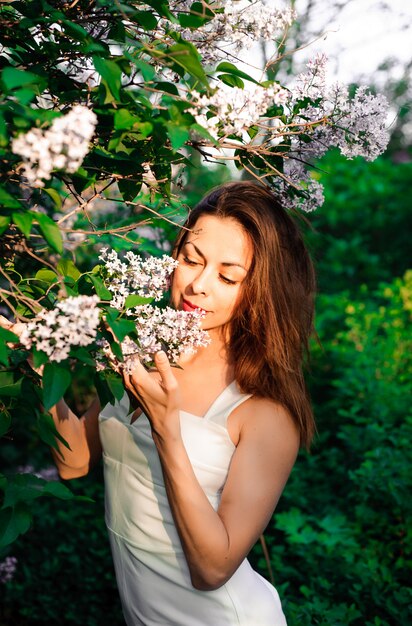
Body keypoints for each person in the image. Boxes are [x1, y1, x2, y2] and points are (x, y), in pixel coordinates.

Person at [5, 181, 317, 625]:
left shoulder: (263, 409)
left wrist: (167, 429)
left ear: (260, 290)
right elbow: (75, 459)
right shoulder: (146, 347)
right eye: (191, 260)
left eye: (228, 276)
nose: (198, 286)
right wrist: (37, 365)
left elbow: (212, 568)